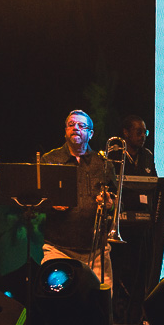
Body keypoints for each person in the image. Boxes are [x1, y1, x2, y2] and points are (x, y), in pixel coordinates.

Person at [40, 110, 116, 288]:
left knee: (101, 304)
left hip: (97, 250)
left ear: (90, 134)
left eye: (81, 126)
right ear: (65, 131)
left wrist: (110, 204)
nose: (75, 128)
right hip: (58, 248)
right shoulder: (50, 160)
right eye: (71, 124)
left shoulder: (103, 163)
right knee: (57, 303)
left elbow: (118, 201)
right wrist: (51, 204)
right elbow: (36, 202)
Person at [107, 115, 160, 324]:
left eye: (145, 131)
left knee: (140, 275)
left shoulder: (147, 155)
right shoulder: (113, 155)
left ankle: (135, 317)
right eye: (138, 131)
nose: (143, 136)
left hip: (142, 226)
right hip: (120, 225)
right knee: (118, 273)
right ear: (126, 133)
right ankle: (116, 317)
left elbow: (152, 183)